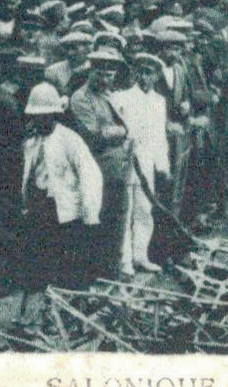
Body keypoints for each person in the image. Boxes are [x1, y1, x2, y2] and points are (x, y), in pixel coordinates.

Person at [20, 82, 103, 305]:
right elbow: (27, 176)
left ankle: (76, 307)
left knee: (73, 262)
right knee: (39, 261)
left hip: (67, 210)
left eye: (45, 116)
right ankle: (38, 311)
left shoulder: (70, 140)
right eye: (36, 116)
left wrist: (90, 212)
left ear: (55, 114)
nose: (39, 121)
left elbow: (90, 175)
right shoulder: (31, 142)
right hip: (40, 208)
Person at [68, 50, 133, 275]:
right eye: (100, 73)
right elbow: (94, 134)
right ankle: (95, 271)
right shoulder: (80, 97)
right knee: (97, 217)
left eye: (109, 74)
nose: (105, 79)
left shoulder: (110, 95)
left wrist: (119, 131)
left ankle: (112, 268)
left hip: (118, 165)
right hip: (96, 165)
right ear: (91, 71)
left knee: (118, 218)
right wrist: (122, 131)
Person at [113, 54, 171, 275]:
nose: (145, 77)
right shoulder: (122, 98)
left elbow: (160, 136)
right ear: (136, 73)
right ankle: (124, 261)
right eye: (142, 72)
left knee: (145, 210)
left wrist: (163, 166)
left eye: (150, 73)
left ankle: (140, 256)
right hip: (127, 162)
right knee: (125, 211)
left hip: (147, 164)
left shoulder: (159, 101)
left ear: (157, 76)